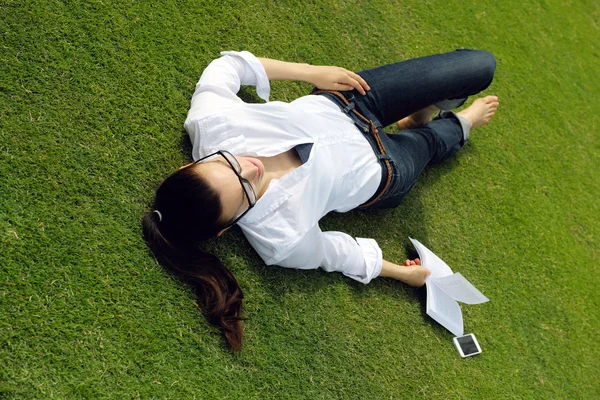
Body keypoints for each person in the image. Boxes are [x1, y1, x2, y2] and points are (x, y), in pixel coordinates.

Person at [142, 49, 498, 351]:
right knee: (436, 140)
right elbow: (337, 253)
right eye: (246, 191)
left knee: (479, 67)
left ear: (192, 163)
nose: (250, 169)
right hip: (383, 169)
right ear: (227, 228)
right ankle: (459, 124)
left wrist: (312, 73)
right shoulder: (280, 239)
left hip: (350, 102)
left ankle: (420, 112)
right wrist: (403, 276)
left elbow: (230, 65)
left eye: (227, 162)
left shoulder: (211, 123)